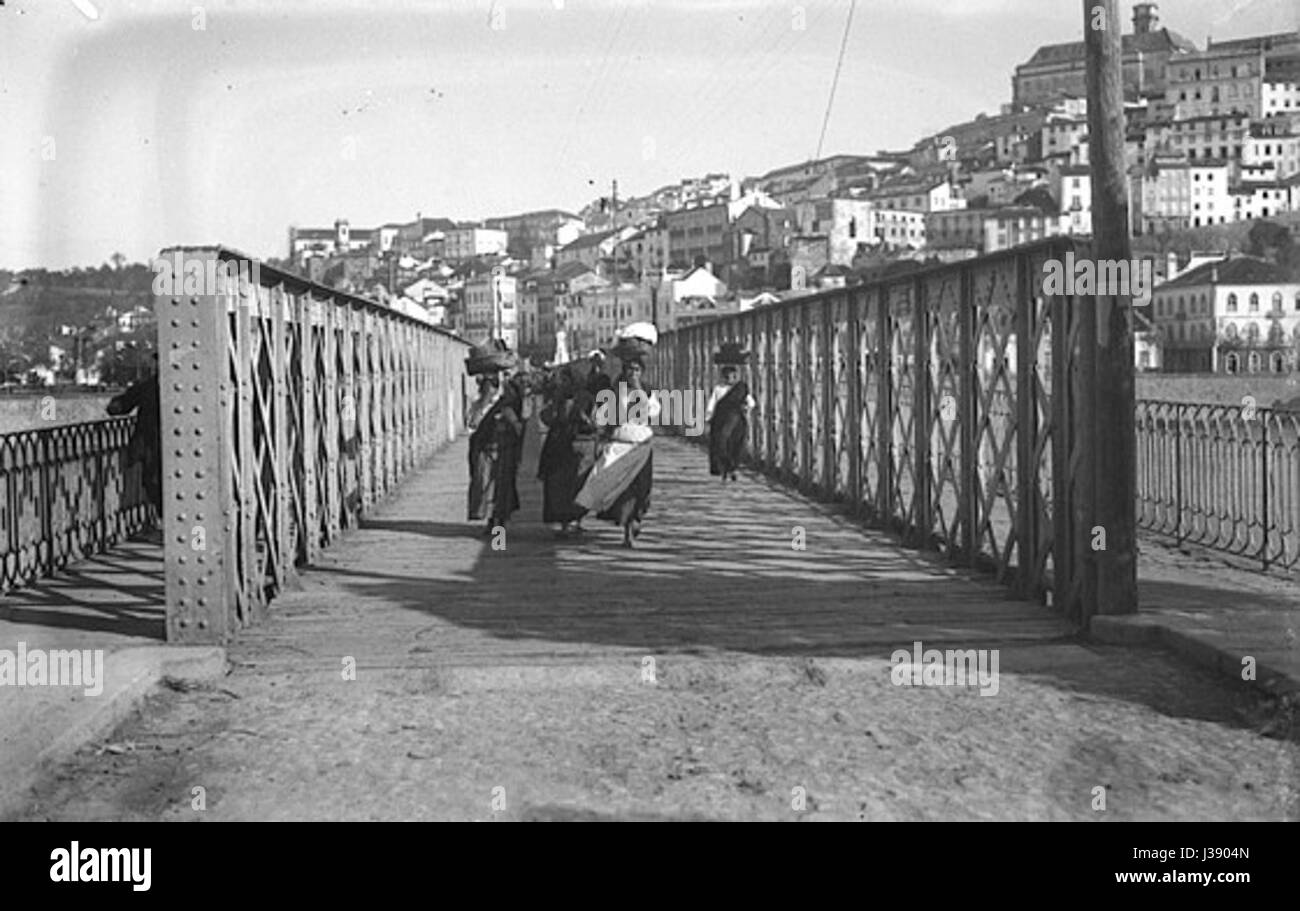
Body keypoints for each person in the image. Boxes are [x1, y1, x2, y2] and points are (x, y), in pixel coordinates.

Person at [575, 350, 659, 548]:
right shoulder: (615, 392)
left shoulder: (648, 391)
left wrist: (640, 393)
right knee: (622, 490)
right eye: (630, 369)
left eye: (637, 370)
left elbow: (654, 413)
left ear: (642, 372)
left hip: (641, 446)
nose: (633, 373)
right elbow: (601, 415)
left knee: (641, 488)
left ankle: (636, 519)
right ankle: (627, 532)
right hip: (619, 445)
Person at [537, 366, 596, 534]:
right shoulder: (557, 397)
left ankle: (576, 520)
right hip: (558, 445)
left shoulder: (586, 398)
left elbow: (596, 423)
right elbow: (545, 417)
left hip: (579, 446)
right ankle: (564, 523)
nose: (563, 383)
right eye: (562, 380)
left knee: (578, 483)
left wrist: (585, 420)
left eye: (566, 380)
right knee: (558, 485)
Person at [466, 368, 524, 534]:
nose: (487, 391)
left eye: (490, 387)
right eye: (485, 387)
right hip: (484, 451)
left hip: (503, 450)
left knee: (501, 488)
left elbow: (519, 428)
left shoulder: (504, 406)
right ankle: (491, 521)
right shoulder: (478, 405)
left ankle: (499, 525)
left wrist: (508, 423)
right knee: (484, 486)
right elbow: (472, 425)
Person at [106, 357, 162, 521]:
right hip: (154, 446)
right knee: (155, 483)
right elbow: (123, 404)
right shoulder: (149, 386)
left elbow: (122, 405)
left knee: (153, 483)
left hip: (151, 445)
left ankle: (166, 521)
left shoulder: (148, 386)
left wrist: (115, 405)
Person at [705, 346, 756, 483]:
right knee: (721, 442)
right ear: (723, 377)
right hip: (721, 419)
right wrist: (708, 417)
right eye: (727, 376)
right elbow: (712, 403)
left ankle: (731, 468)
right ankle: (725, 468)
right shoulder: (719, 389)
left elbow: (751, 403)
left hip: (735, 419)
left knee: (733, 444)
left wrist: (745, 409)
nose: (730, 379)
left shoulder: (740, 388)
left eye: (733, 376)